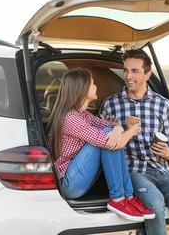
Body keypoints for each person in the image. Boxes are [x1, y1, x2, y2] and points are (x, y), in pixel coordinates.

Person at [100, 49, 169, 234]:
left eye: (134, 71)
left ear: (147, 74)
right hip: (133, 170)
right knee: (155, 206)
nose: (128, 76)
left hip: (162, 170)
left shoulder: (163, 105)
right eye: (125, 70)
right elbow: (104, 143)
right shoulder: (111, 104)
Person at [47, 68, 155, 222]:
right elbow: (108, 140)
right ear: (83, 88)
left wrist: (117, 128)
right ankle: (117, 199)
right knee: (107, 139)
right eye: (93, 83)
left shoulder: (82, 114)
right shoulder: (70, 118)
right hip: (69, 184)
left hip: (77, 176)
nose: (96, 86)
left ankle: (128, 197)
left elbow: (111, 125)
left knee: (108, 134)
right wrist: (129, 132)